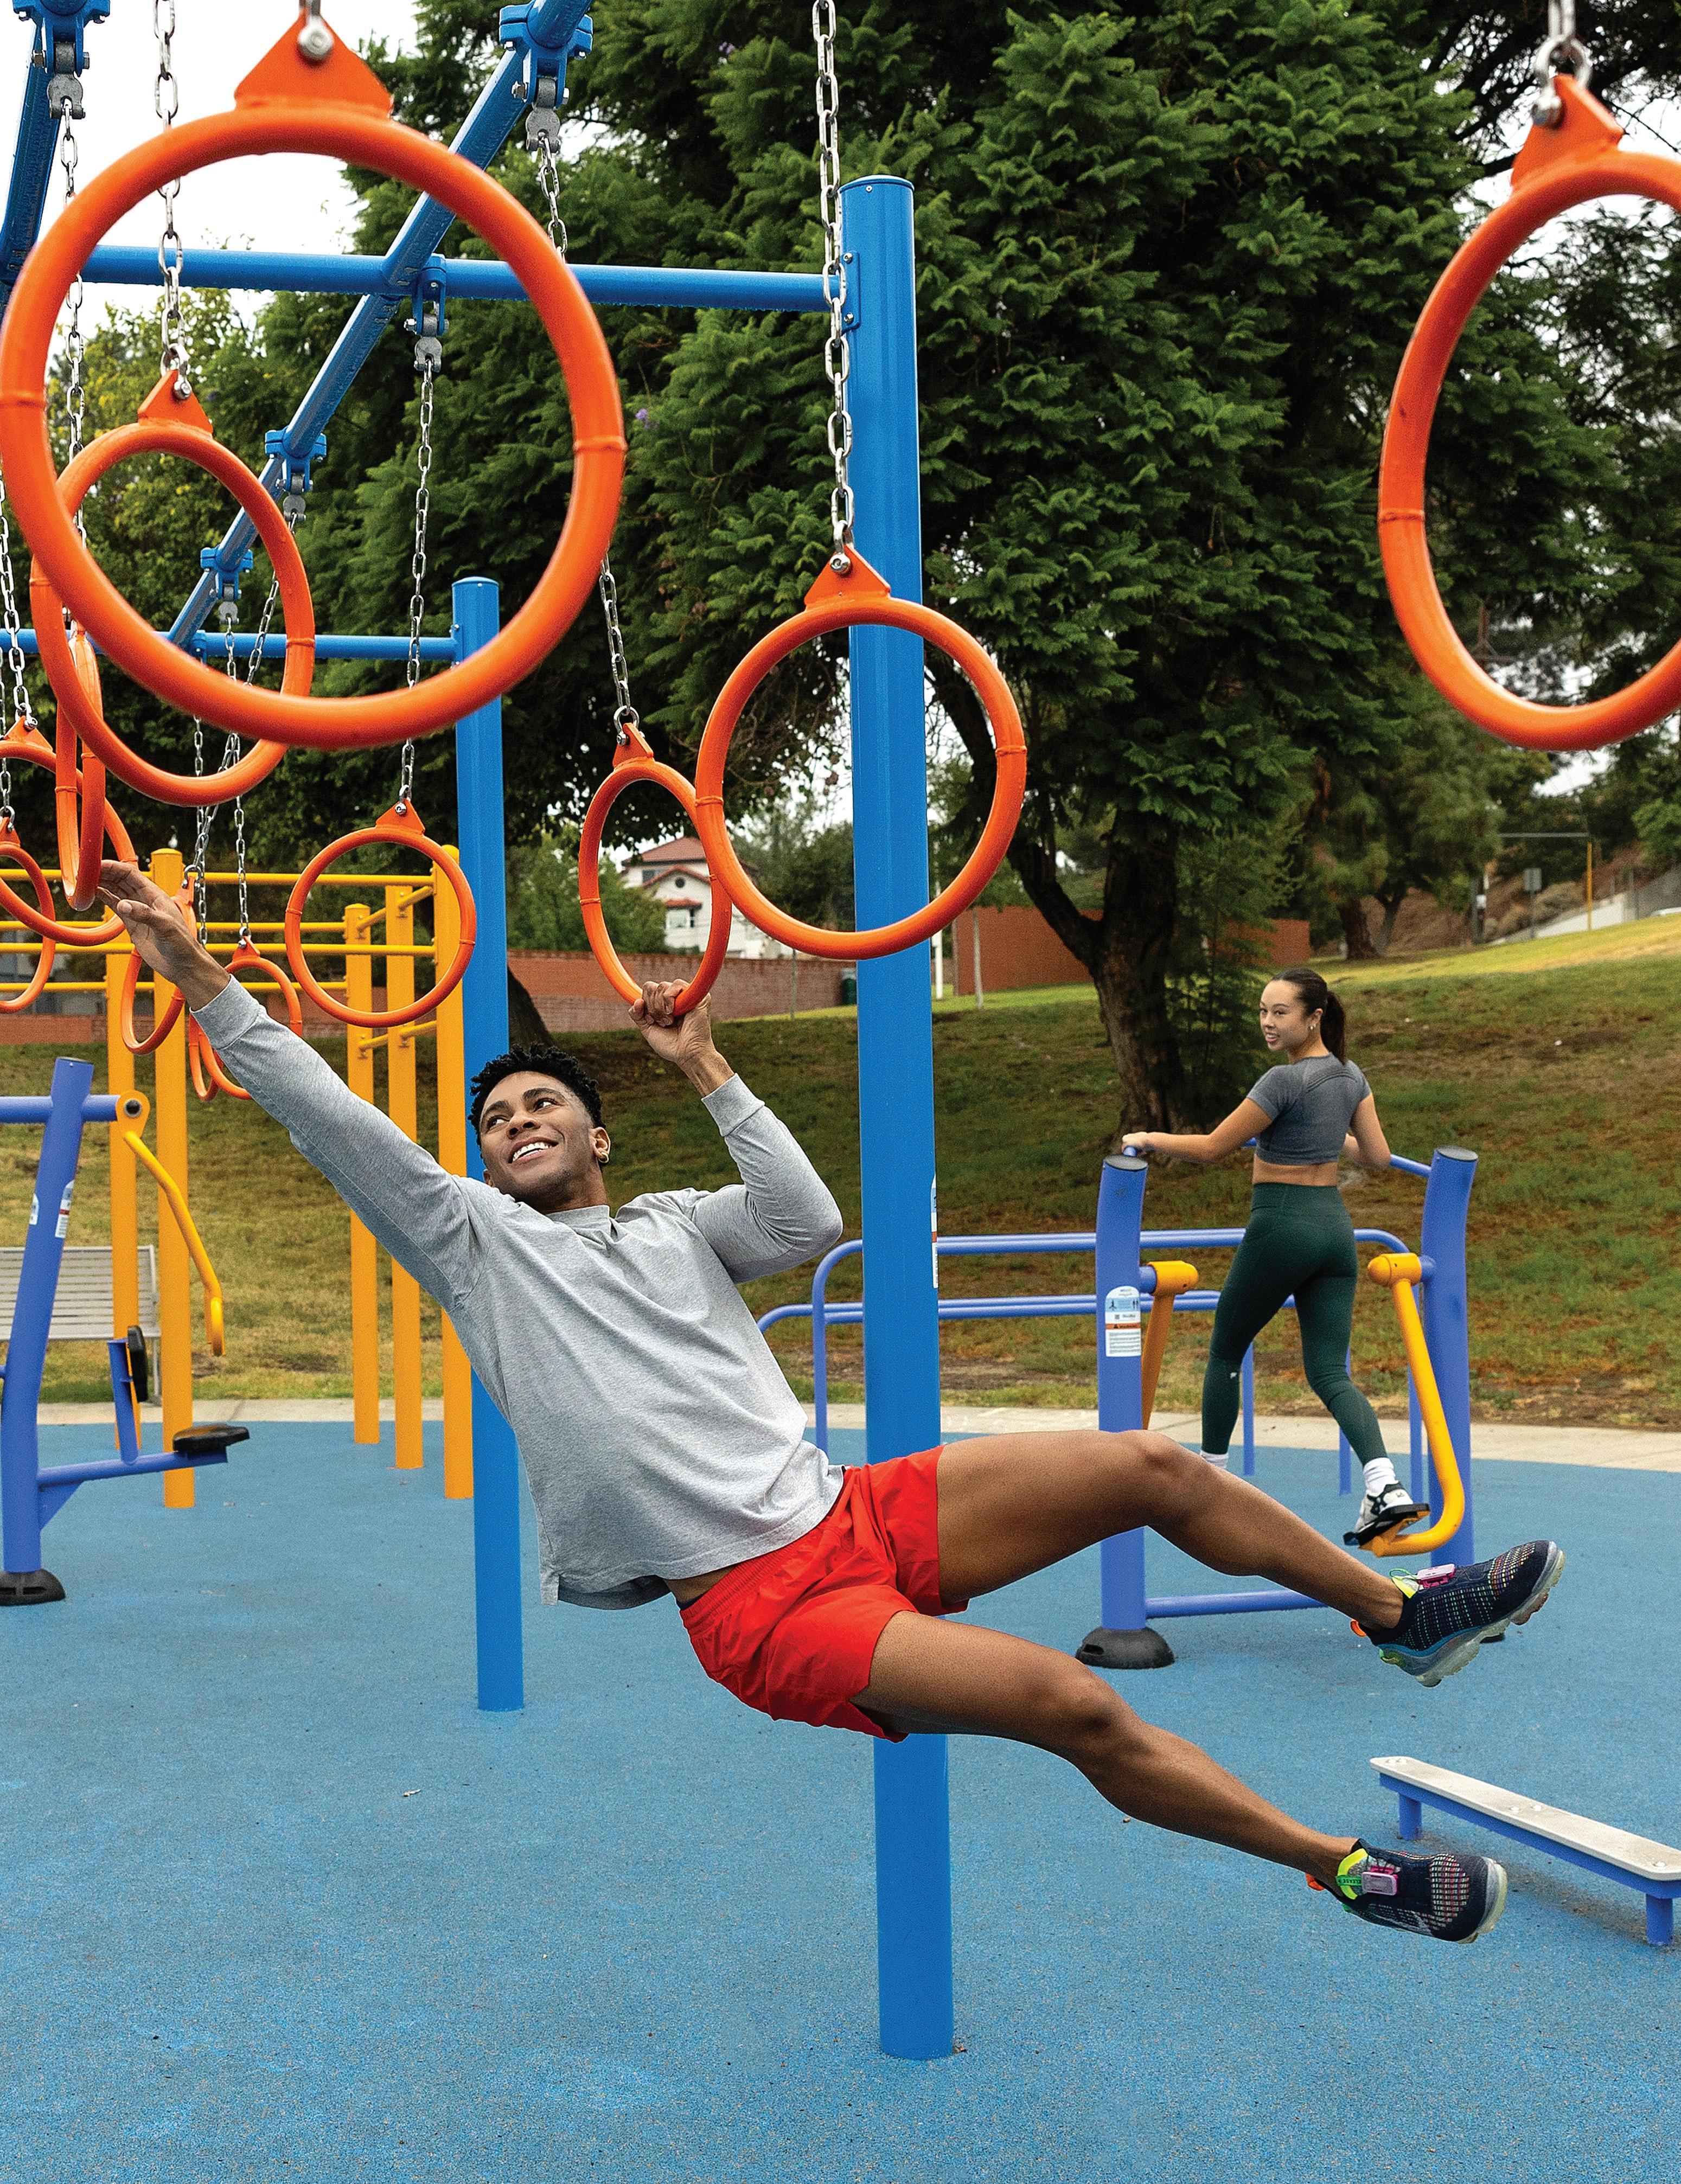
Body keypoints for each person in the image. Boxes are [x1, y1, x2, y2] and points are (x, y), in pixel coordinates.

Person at [99, 866, 1563, 1946]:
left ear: (597, 1134)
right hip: (759, 1605)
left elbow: (802, 1222)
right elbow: (324, 1111)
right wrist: (193, 968)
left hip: (849, 1510)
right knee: (1073, 1702)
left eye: (541, 1104)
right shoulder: (477, 1244)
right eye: (494, 1119)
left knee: (1149, 1466)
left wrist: (705, 1060)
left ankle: (1397, 1616)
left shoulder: (675, 1221)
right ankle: (1344, 1869)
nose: (515, 1122)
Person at [1124, 966, 1429, 1547]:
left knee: (1226, 1348)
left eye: (1280, 1012)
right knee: (1330, 1372)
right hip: (1334, 1231)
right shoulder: (1350, 1075)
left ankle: (1210, 1481)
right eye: (1263, 1010)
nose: (1267, 1021)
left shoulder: (1283, 1081)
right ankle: (1384, 1484)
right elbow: (1378, 1157)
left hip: (1281, 1225)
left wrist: (1149, 1138)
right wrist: (1329, 1134)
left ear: (1314, 1017)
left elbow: (1212, 1148)